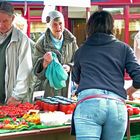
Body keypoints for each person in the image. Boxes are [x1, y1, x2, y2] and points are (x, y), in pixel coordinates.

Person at [71, 10, 140, 140]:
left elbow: (76, 80)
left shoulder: (81, 51)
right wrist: (128, 91)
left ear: (89, 27)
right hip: (117, 106)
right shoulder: (124, 48)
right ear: (112, 26)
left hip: (88, 104)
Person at [33, 10, 78, 97]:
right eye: (55, 24)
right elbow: (36, 71)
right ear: (49, 26)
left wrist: (69, 66)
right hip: (48, 89)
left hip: (66, 87)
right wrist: (44, 63)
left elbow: (78, 60)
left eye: (60, 23)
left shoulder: (71, 40)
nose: (58, 27)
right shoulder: (40, 43)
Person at [0, 1, 32, 105]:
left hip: (10, 99)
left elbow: (25, 70)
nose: (1, 25)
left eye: (5, 21)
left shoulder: (22, 40)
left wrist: (17, 95)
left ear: (12, 19)